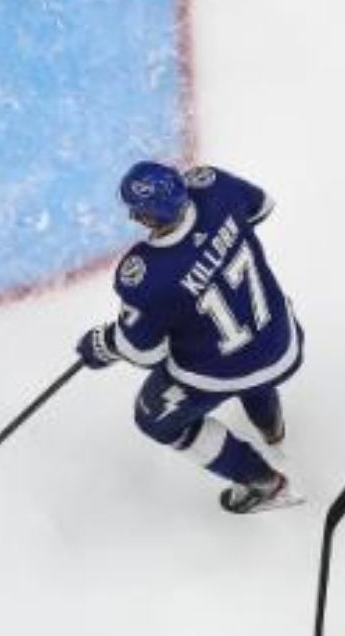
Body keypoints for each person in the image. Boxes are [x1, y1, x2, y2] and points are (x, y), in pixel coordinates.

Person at [75, 162, 304, 514]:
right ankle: (273, 431)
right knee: (251, 355)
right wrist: (216, 247)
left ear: (145, 218)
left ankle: (264, 483)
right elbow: (261, 206)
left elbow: (142, 352)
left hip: (225, 367)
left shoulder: (146, 274)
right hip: (282, 339)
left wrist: (104, 343)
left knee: (154, 418)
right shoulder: (216, 186)